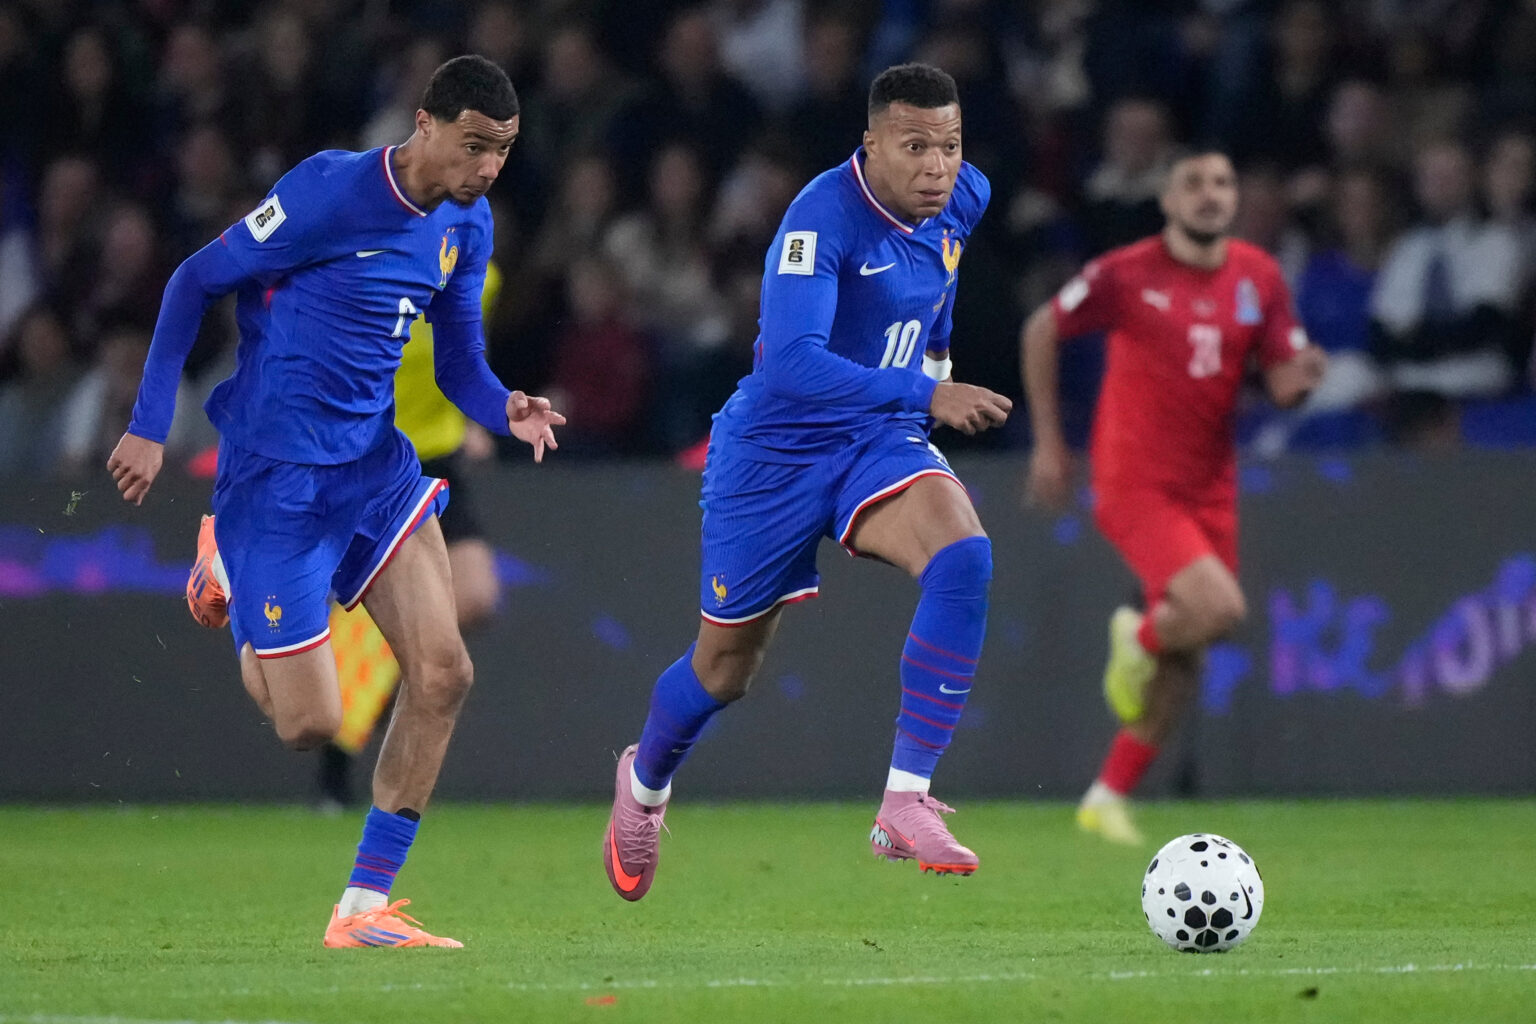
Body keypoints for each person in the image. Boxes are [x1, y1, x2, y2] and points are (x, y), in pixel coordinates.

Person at [106, 56, 564, 946]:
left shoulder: (468, 226)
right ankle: (226, 573)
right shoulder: (325, 191)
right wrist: (149, 423)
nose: (487, 168)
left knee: (445, 672)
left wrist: (503, 405)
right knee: (307, 723)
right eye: (475, 145)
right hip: (275, 479)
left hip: (375, 468)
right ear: (424, 123)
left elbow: (462, 359)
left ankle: (363, 908)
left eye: (502, 151)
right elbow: (195, 279)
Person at [602, 63, 1012, 902]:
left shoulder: (964, 197)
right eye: (916, 147)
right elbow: (792, 365)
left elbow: (943, 279)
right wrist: (928, 389)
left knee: (964, 554)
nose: (938, 166)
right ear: (871, 144)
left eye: (951, 145)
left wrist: (934, 361)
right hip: (775, 456)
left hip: (878, 437)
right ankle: (642, 785)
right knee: (726, 672)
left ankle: (905, 799)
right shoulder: (819, 221)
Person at [1020, 151, 1327, 845]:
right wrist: (1049, 443)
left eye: (1223, 182)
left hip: (1210, 485)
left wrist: (1303, 381)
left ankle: (1105, 796)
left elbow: (1281, 384)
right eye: (1194, 183)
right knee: (1218, 609)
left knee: (1185, 663)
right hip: (1135, 479)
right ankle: (1139, 633)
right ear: (1167, 201)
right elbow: (1041, 328)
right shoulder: (1126, 273)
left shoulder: (1260, 276)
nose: (1210, 195)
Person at [318, 260, 509, 809]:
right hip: (375, 455)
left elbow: (466, 349)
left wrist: (475, 416)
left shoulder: (482, 274)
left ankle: (355, 713)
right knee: (406, 619)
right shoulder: (365, 267)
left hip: (438, 453)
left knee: (475, 597)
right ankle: (340, 743)